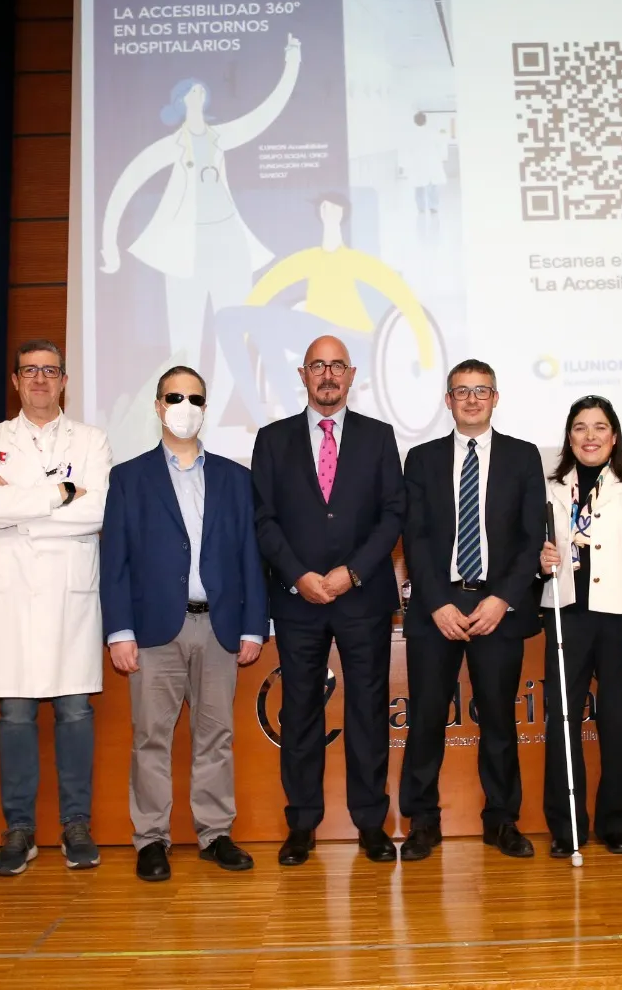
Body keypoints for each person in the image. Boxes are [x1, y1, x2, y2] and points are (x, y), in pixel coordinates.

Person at [100, 366, 268, 883]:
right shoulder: (129, 477)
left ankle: (215, 834)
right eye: (175, 397)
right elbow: (116, 561)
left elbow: (249, 556)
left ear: (205, 407)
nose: (185, 406)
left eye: (195, 398)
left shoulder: (234, 478)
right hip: (153, 631)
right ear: (157, 406)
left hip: (218, 626)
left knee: (215, 735)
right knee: (151, 736)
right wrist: (119, 631)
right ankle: (151, 839)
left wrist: (254, 626)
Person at [250, 334, 406, 865]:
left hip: (361, 597)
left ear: (353, 374)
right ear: (303, 375)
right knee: (299, 713)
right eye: (318, 365)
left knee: (367, 711)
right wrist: (299, 575)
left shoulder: (380, 437)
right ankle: (302, 825)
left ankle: (370, 823)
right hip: (298, 601)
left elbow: (393, 515)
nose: (328, 374)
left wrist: (352, 573)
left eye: (337, 365)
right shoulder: (271, 441)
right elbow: (264, 520)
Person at [0, 339, 112, 876]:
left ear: (64, 381)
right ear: (15, 381)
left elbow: (96, 512)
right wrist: (59, 493)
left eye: (50, 371)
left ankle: (76, 824)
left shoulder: (92, 440)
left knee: (75, 711)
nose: (39, 380)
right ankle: (19, 829)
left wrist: (20, 504)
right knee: (16, 714)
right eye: (29, 372)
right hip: (11, 594)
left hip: (70, 593)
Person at [98, 38, 302, 403]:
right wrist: (108, 244)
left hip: (230, 248)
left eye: (199, 90)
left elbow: (266, 114)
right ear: (179, 103)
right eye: (189, 91)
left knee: (233, 339)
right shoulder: (170, 146)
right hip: (185, 254)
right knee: (185, 343)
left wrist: (292, 61)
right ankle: (183, 415)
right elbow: (127, 182)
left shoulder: (221, 136)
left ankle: (221, 418)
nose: (197, 93)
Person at [398, 360, 545, 861]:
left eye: (481, 390)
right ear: (448, 401)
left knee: (500, 721)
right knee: (425, 719)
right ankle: (422, 821)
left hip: (497, 605)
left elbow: (531, 540)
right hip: (436, 607)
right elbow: (413, 536)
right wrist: (436, 600)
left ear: (496, 398)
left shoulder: (524, 458)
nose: (472, 399)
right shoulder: (420, 459)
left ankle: (501, 821)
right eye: (461, 391)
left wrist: (502, 598)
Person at [537, 395, 622, 856]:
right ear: (569, 438)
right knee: (563, 726)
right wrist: (540, 560)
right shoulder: (549, 487)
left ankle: (617, 826)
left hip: (621, 619)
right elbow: (534, 548)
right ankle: (567, 828)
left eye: (600, 427)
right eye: (580, 428)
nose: (590, 436)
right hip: (566, 616)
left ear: (614, 436)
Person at [214, 192, 436, 424]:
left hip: (350, 340)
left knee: (256, 324)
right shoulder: (307, 259)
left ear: (342, 214)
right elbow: (266, 288)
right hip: (312, 332)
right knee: (237, 322)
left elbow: (405, 299)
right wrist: (247, 331)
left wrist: (427, 357)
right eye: (322, 208)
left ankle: (285, 413)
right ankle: (271, 417)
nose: (326, 212)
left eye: (331, 208)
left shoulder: (356, 261)